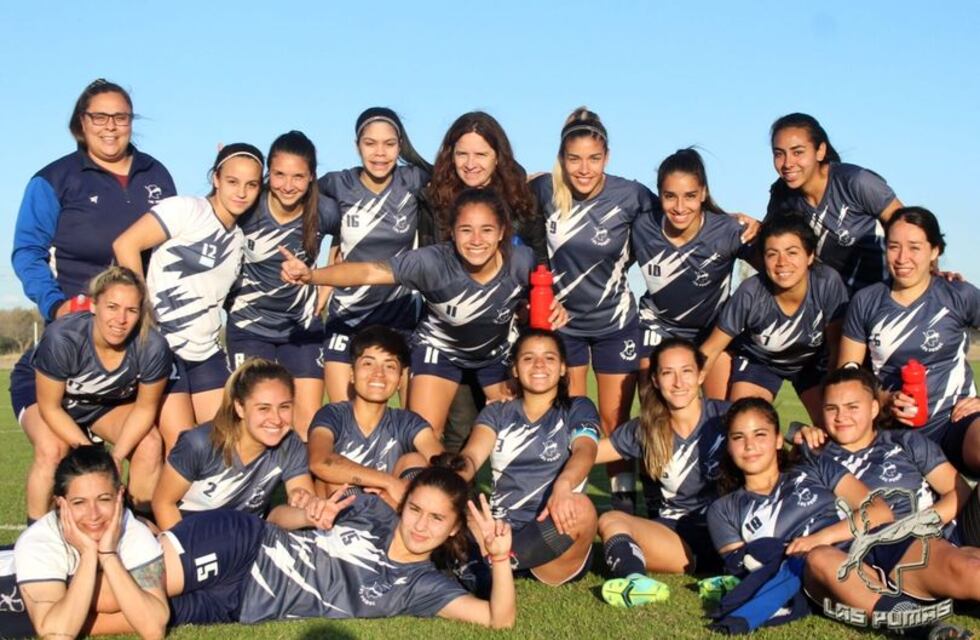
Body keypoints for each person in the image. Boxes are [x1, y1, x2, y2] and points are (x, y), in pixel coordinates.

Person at [281, 188, 567, 438]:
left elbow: (538, 303)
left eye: (487, 230)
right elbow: (369, 271)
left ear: (502, 232)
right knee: (424, 433)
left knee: (522, 427)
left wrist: (554, 308)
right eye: (466, 230)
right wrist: (312, 275)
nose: (476, 240)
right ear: (452, 232)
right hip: (439, 350)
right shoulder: (431, 263)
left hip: (496, 353)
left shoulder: (522, 261)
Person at [160, 455, 517, 628]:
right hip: (242, 546)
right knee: (142, 582)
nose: (421, 525)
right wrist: (308, 516)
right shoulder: (370, 510)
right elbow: (274, 519)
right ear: (403, 504)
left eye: (437, 518)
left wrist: (499, 559)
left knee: (147, 618)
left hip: (241, 606)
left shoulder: (424, 586)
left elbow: (498, 620)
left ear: (454, 528)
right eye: (415, 509)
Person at [529, 106, 654, 512]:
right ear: (561, 158)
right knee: (572, 420)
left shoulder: (631, 195)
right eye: (574, 159)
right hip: (563, 326)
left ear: (608, 157)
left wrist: (729, 218)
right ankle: (569, 503)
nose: (584, 169)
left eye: (594, 158)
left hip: (615, 324)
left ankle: (624, 505)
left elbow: (678, 218)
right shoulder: (544, 191)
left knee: (615, 422)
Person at [798, 368, 980, 634]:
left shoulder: (904, 442)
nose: (841, 417)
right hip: (895, 554)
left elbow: (958, 493)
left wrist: (919, 523)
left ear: (874, 408)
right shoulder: (816, 456)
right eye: (831, 408)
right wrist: (800, 433)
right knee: (969, 569)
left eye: (852, 407)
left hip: (946, 532)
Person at [113, 143, 265, 449]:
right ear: (216, 178)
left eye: (251, 185)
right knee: (182, 445)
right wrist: (142, 315)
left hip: (205, 351)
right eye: (232, 181)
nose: (241, 192)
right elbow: (125, 244)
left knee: (224, 442)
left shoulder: (238, 240)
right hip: (165, 346)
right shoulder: (185, 209)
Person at [420, 111, 547, 453]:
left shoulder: (523, 199)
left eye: (481, 154)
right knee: (459, 429)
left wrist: (532, 305)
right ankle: (455, 487)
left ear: (498, 156)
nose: (470, 163)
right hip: (452, 333)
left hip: (505, 335)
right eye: (462, 153)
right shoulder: (434, 200)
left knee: (512, 427)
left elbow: (540, 265)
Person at [10, 266, 170, 522]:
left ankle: (138, 524)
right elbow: (50, 408)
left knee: (149, 444)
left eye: (131, 310)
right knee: (52, 449)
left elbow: (145, 408)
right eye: (112, 307)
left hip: (100, 399)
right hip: (48, 396)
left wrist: (116, 456)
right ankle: (36, 534)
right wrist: (91, 454)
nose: (121, 319)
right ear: (94, 305)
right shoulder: (63, 338)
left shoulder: (152, 347)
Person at [12, 78, 175, 323]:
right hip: (80, 320)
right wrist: (55, 305)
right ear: (82, 122)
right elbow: (28, 252)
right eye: (99, 117)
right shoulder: (52, 180)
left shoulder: (156, 173)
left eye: (120, 117)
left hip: (147, 321)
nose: (110, 126)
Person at [838, 206, 980, 473]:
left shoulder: (958, 295)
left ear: (934, 251)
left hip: (956, 422)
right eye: (894, 247)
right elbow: (846, 376)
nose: (903, 258)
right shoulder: (866, 301)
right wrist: (884, 399)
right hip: (892, 430)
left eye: (914, 247)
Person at [459, 329, 599, 585]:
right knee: (459, 509)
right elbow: (472, 455)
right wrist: (453, 478)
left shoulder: (578, 407)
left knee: (583, 509)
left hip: (553, 538)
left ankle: (489, 565)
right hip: (498, 529)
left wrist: (564, 484)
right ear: (515, 368)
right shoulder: (496, 412)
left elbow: (585, 450)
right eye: (528, 358)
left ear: (563, 368)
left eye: (549, 358)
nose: (539, 365)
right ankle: (494, 560)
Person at [597, 339, 729, 607]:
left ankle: (734, 575)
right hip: (675, 539)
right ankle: (636, 583)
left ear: (701, 375)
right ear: (655, 381)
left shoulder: (727, 417)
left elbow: (771, 444)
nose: (678, 382)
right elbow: (589, 454)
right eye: (668, 373)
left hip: (729, 532)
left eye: (686, 371)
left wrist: (804, 434)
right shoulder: (646, 428)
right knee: (611, 520)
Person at [225, 132, 337, 439]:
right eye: (279, 175)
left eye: (298, 176)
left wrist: (325, 284)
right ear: (267, 174)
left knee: (307, 424)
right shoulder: (249, 207)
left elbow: (346, 242)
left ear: (311, 176)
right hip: (249, 326)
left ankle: (303, 474)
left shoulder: (325, 211)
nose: (288, 185)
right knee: (252, 422)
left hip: (301, 328)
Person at [318, 108, 432, 404]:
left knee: (410, 420)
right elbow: (290, 191)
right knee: (342, 416)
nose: (380, 153)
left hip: (400, 316)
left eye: (389, 144)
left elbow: (463, 178)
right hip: (348, 316)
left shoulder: (413, 179)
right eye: (370, 143)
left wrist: (527, 179)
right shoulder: (338, 183)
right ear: (357, 145)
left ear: (400, 145)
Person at [631, 148, 755, 400]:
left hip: (713, 329)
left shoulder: (728, 231)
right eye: (670, 196)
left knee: (719, 414)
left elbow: (777, 268)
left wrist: (761, 228)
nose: (679, 207)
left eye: (690, 196)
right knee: (655, 414)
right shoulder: (642, 226)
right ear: (659, 194)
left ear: (703, 193)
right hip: (658, 325)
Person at [699, 215, 849, 424]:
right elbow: (712, 347)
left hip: (812, 363)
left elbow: (836, 346)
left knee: (833, 422)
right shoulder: (751, 292)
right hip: (761, 363)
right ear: (762, 259)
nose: (782, 263)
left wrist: (836, 394)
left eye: (792, 252)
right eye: (772, 254)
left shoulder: (827, 282)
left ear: (810, 256)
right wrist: (684, 387)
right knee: (746, 422)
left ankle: (798, 439)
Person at [707, 397, 891, 564]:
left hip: (871, 551)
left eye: (760, 434)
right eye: (738, 437)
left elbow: (880, 512)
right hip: (814, 573)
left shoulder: (814, 466)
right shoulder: (724, 510)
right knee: (822, 560)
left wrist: (821, 538)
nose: (749, 445)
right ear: (728, 447)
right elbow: (744, 568)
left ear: (778, 440)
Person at [14, 446, 168, 639]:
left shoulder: (132, 529)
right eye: (79, 502)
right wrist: (88, 554)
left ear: (119, 496)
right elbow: (56, 635)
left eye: (103, 499)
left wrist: (108, 554)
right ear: (61, 503)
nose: (93, 515)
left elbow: (154, 629)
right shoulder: (39, 541)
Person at [151, 359, 315, 530]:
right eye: (263, 408)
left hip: (247, 540)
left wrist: (305, 505)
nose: (276, 419)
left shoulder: (290, 443)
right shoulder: (199, 443)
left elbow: (301, 502)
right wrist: (183, 545)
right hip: (190, 535)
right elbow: (163, 503)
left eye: (284, 407)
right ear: (240, 407)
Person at [766, 112, 903, 293]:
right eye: (779, 154)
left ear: (820, 151)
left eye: (798, 152)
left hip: (884, 296)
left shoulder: (857, 181)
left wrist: (931, 273)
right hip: (833, 302)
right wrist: (751, 230)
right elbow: (771, 248)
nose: (787, 163)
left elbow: (910, 230)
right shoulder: (782, 196)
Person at [308, 325, 442, 503]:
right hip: (341, 514)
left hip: (393, 510)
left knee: (415, 460)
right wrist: (388, 482)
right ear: (352, 374)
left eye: (389, 366)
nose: (379, 373)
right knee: (334, 478)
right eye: (368, 364)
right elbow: (320, 461)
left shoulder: (408, 422)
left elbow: (443, 465)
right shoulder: (333, 414)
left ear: (400, 380)